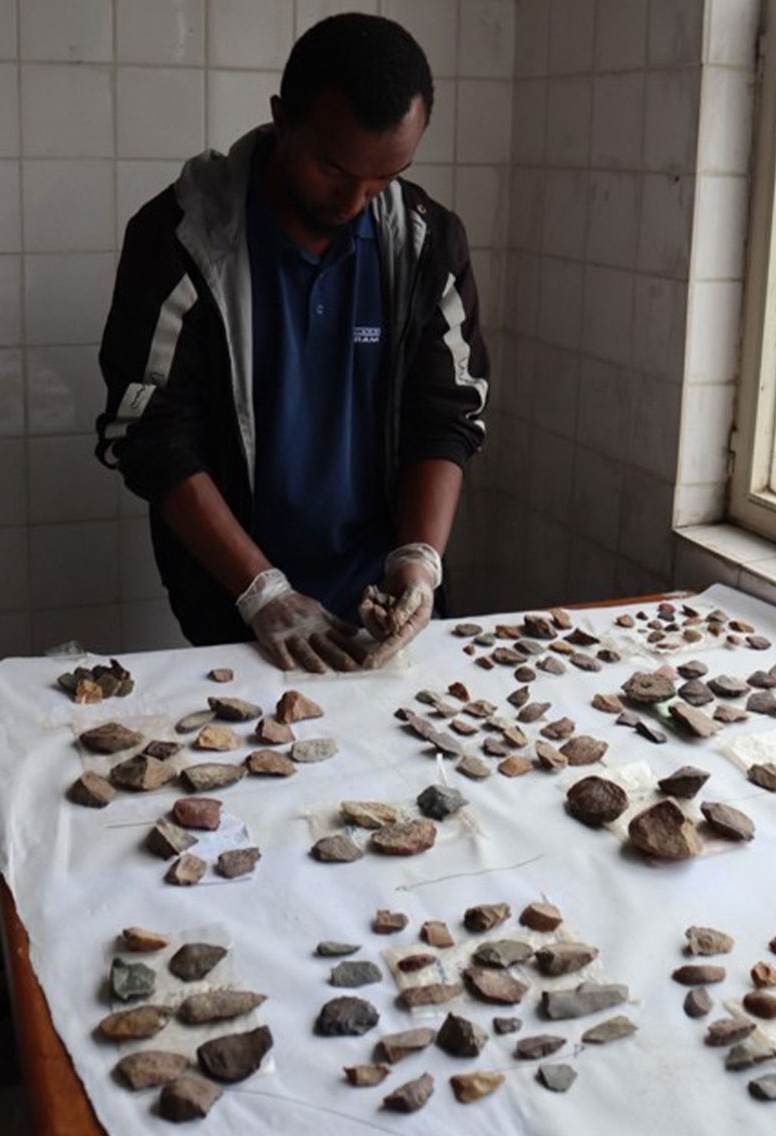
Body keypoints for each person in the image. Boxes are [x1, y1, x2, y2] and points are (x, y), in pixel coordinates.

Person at [94, 12, 490, 674]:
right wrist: (261, 591)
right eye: (334, 169)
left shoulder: (427, 244)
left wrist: (420, 559)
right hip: (234, 600)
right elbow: (150, 435)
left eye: (385, 177)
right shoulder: (180, 240)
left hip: (379, 591)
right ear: (283, 119)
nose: (357, 200)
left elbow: (446, 415)